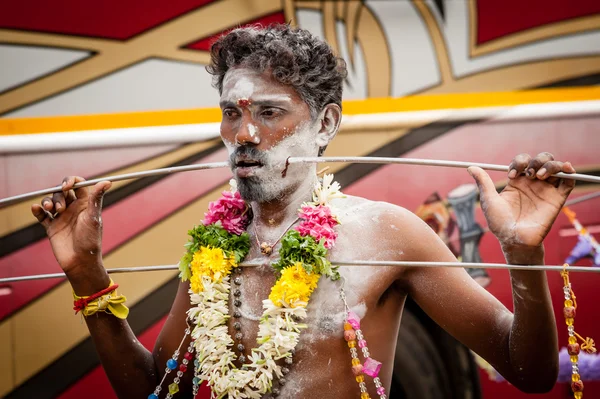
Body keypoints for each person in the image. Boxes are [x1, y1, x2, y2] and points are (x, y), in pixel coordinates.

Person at [31, 25, 576, 398]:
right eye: (230, 113)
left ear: (327, 124)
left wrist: (524, 256)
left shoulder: (386, 234)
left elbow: (529, 373)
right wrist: (87, 275)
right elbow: (154, 388)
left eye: (269, 112)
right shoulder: (213, 247)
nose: (244, 135)